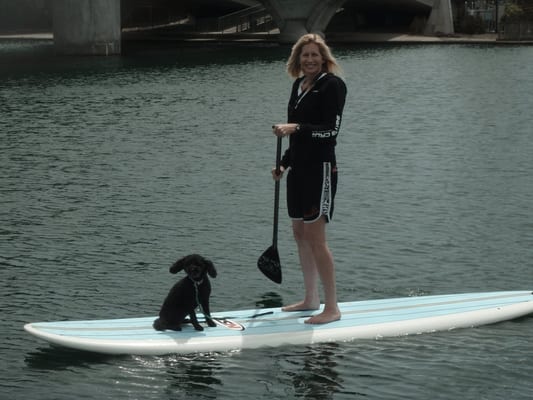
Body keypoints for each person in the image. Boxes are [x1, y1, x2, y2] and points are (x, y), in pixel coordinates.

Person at [271, 33, 347, 324]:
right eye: (305, 55)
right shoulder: (298, 86)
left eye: (315, 55)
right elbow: (297, 139)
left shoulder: (333, 85)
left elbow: (330, 131)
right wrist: (283, 164)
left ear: (324, 58)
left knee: (317, 239)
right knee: (300, 235)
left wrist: (296, 127)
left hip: (321, 170)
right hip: (299, 170)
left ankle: (332, 308)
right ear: (297, 60)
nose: (310, 60)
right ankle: (310, 298)